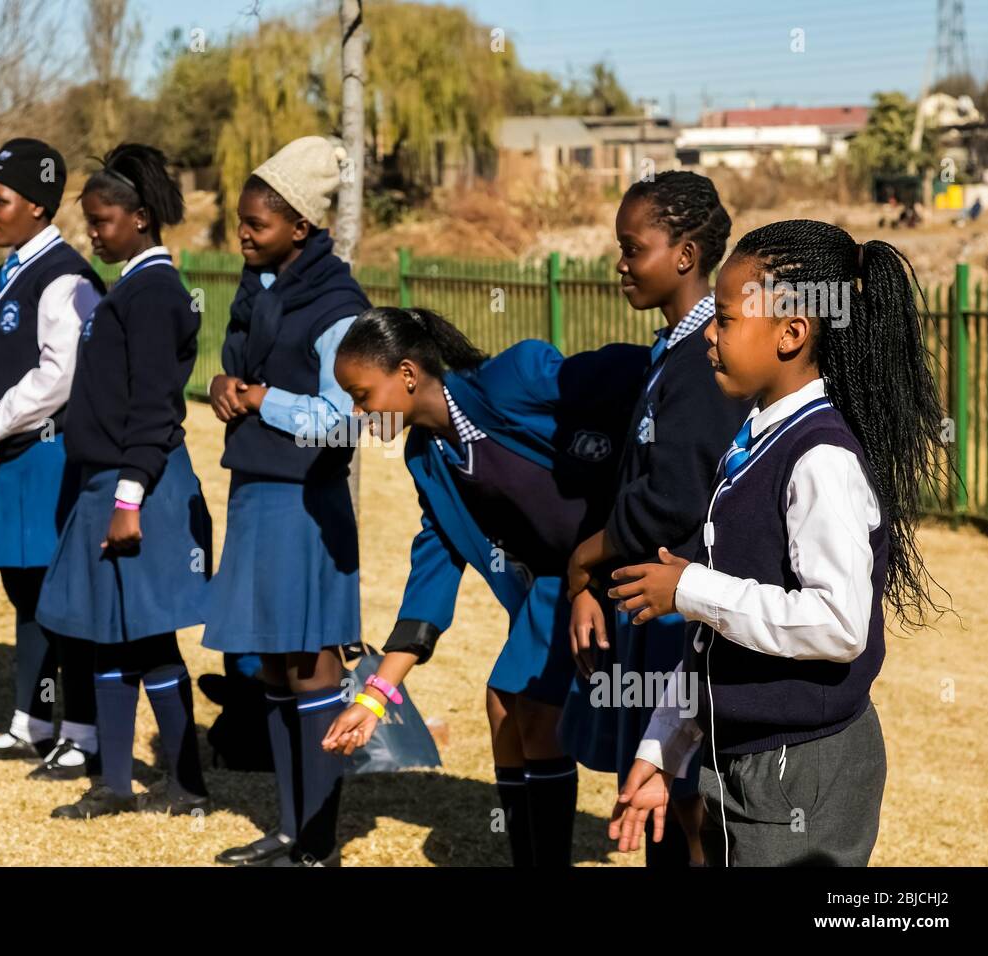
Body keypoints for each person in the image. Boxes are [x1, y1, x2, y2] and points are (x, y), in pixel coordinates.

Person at [607, 220, 947, 866]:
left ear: (792, 333)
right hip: (746, 760)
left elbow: (840, 624)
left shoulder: (820, 459)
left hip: (800, 771)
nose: (709, 333)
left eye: (727, 320)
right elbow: (713, 642)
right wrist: (662, 750)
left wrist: (691, 587)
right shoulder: (753, 442)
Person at [324, 307, 646, 865]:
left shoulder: (515, 376)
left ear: (406, 374)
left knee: (547, 717)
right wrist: (373, 699)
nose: (357, 411)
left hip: (624, 559)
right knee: (504, 706)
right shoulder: (426, 458)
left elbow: (639, 371)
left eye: (361, 393)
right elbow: (434, 570)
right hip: (556, 583)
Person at [564, 170, 747, 865]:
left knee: (682, 799)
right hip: (654, 603)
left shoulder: (705, 362)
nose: (620, 263)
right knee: (660, 792)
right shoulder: (670, 352)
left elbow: (676, 498)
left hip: (683, 609)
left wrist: (586, 556)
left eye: (632, 248)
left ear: (685, 254)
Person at [204, 136, 371, 867]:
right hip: (253, 493)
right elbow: (238, 365)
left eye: (258, 225)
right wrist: (221, 386)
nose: (243, 233)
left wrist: (265, 400)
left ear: (301, 226)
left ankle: (317, 843)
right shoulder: (257, 288)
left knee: (312, 668)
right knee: (272, 666)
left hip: (305, 502)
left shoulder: (338, 305)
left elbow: (344, 419)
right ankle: (285, 829)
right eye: (240, 221)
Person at [38, 144, 213, 819]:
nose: (94, 234)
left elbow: (154, 408)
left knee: (149, 634)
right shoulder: (130, 289)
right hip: (105, 483)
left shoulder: (156, 294)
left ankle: (188, 786)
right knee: (106, 632)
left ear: (140, 219)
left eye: (103, 222)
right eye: (89, 223)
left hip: (138, 486)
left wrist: (127, 499)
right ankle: (114, 784)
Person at [0, 139, 106, 773]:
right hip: (6, 452)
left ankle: (85, 732)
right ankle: (32, 722)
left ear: (38, 205)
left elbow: (61, 375)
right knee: (25, 591)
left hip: (50, 454)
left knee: (62, 595)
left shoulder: (66, 276)